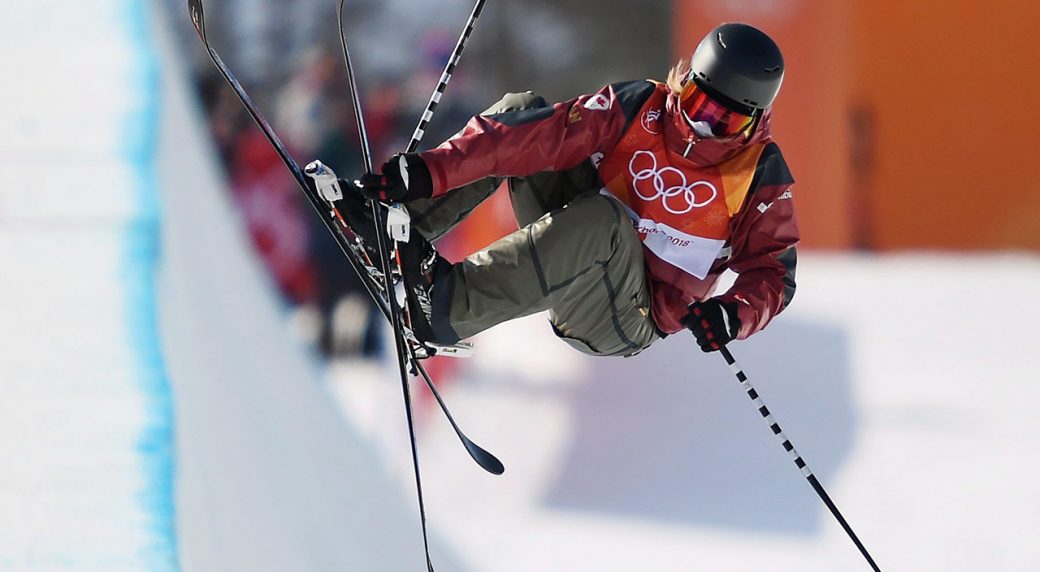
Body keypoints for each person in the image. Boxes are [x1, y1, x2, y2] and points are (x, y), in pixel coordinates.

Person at [348, 22, 798, 357]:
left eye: (726, 121)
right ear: (688, 81)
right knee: (520, 114)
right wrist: (427, 172)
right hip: (579, 242)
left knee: (605, 221)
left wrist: (732, 314)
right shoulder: (641, 105)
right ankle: (396, 228)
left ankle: (448, 311)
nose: (704, 126)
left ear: (754, 121)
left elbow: (773, 273)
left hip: (625, 314)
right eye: (699, 105)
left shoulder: (759, 173)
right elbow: (547, 133)